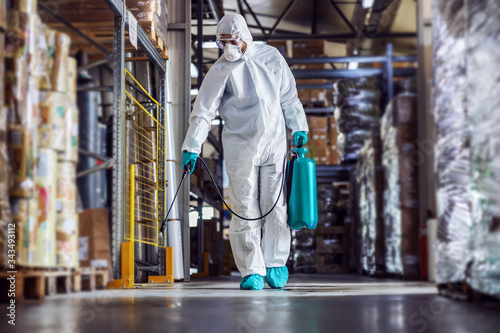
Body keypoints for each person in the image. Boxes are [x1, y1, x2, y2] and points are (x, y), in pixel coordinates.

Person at [181, 13, 308, 290]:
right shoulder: (219, 71)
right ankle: (251, 270)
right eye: (221, 41)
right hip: (241, 147)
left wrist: (298, 126)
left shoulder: (271, 57)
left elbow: (288, 96)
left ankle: (275, 263)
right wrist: (192, 145)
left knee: (275, 206)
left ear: (244, 37)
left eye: (231, 40)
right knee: (244, 207)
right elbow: (203, 111)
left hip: (274, 144)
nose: (227, 46)